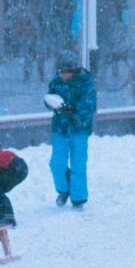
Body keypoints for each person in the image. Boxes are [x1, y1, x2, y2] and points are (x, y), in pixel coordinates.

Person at [46, 50, 97, 209]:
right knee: (56, 163)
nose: (61, 74)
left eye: (64, 71)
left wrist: (72, 113)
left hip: (79, 129)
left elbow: (89, 106)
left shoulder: (85, 82)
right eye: (60, 71)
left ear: (73, 71)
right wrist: (52, 104)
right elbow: (50, 98)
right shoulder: (56, 81)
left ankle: (78, 197)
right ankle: (63, 189)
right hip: (60, 128)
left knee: (78, 164)